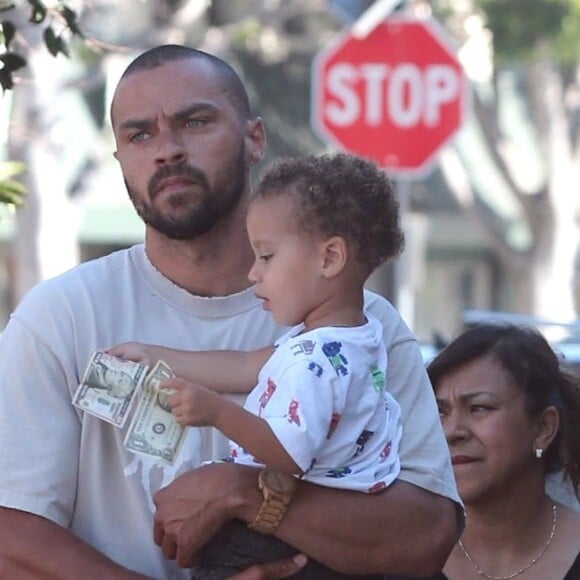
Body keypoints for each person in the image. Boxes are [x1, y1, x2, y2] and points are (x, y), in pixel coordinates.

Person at [0, 44, 462, 580]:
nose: (166, 150)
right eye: (139, 135)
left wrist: (244, 494)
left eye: (194, 122)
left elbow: (427, 535)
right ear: (120, 158)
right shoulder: (61, 317)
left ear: (254, 139)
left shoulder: (360, 327)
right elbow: (12, 536)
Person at [109, 152, 405, 579]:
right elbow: (247, 365)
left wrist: (216, 412)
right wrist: (157, 356)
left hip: (278, 540)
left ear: (330, 258)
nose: (252, 273)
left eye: (265, 257)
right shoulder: (355, 337)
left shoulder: (315, 362)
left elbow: (288, 456)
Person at [389, 323, 580, 580]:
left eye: (479, 408)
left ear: (544, 428)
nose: (452, 431)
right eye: (440, 412)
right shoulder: (397, 558)